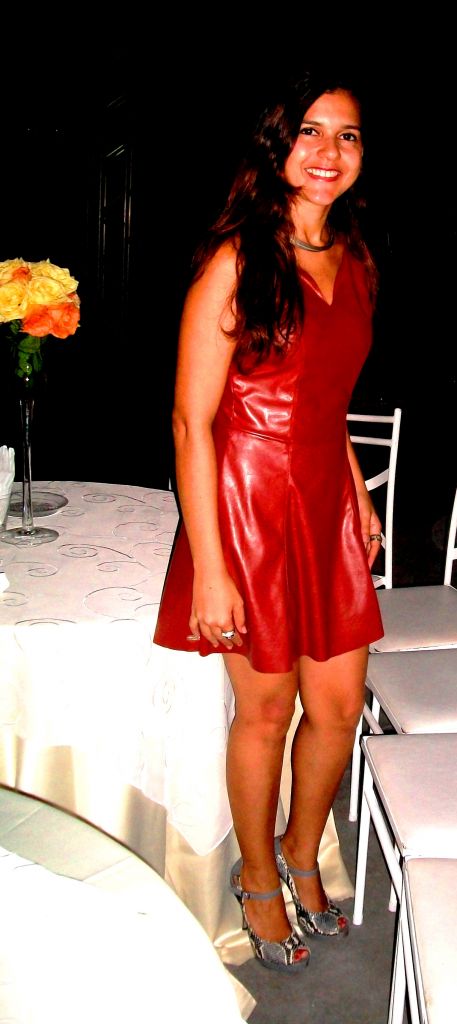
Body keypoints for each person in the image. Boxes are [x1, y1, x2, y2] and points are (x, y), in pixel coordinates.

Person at [154, 67, 384, 974]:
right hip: (247, 503)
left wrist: (356, 490)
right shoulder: (235, 259)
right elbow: (190, 421)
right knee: (265, 711)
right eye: (310, 132)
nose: (328, 152)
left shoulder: (356, 259)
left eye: (347, 135)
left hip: (322, 497)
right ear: (276, 144)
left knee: (337, 708)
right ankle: (256, 878)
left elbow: (326, 400)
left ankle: (299, 848)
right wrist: (210, 568)